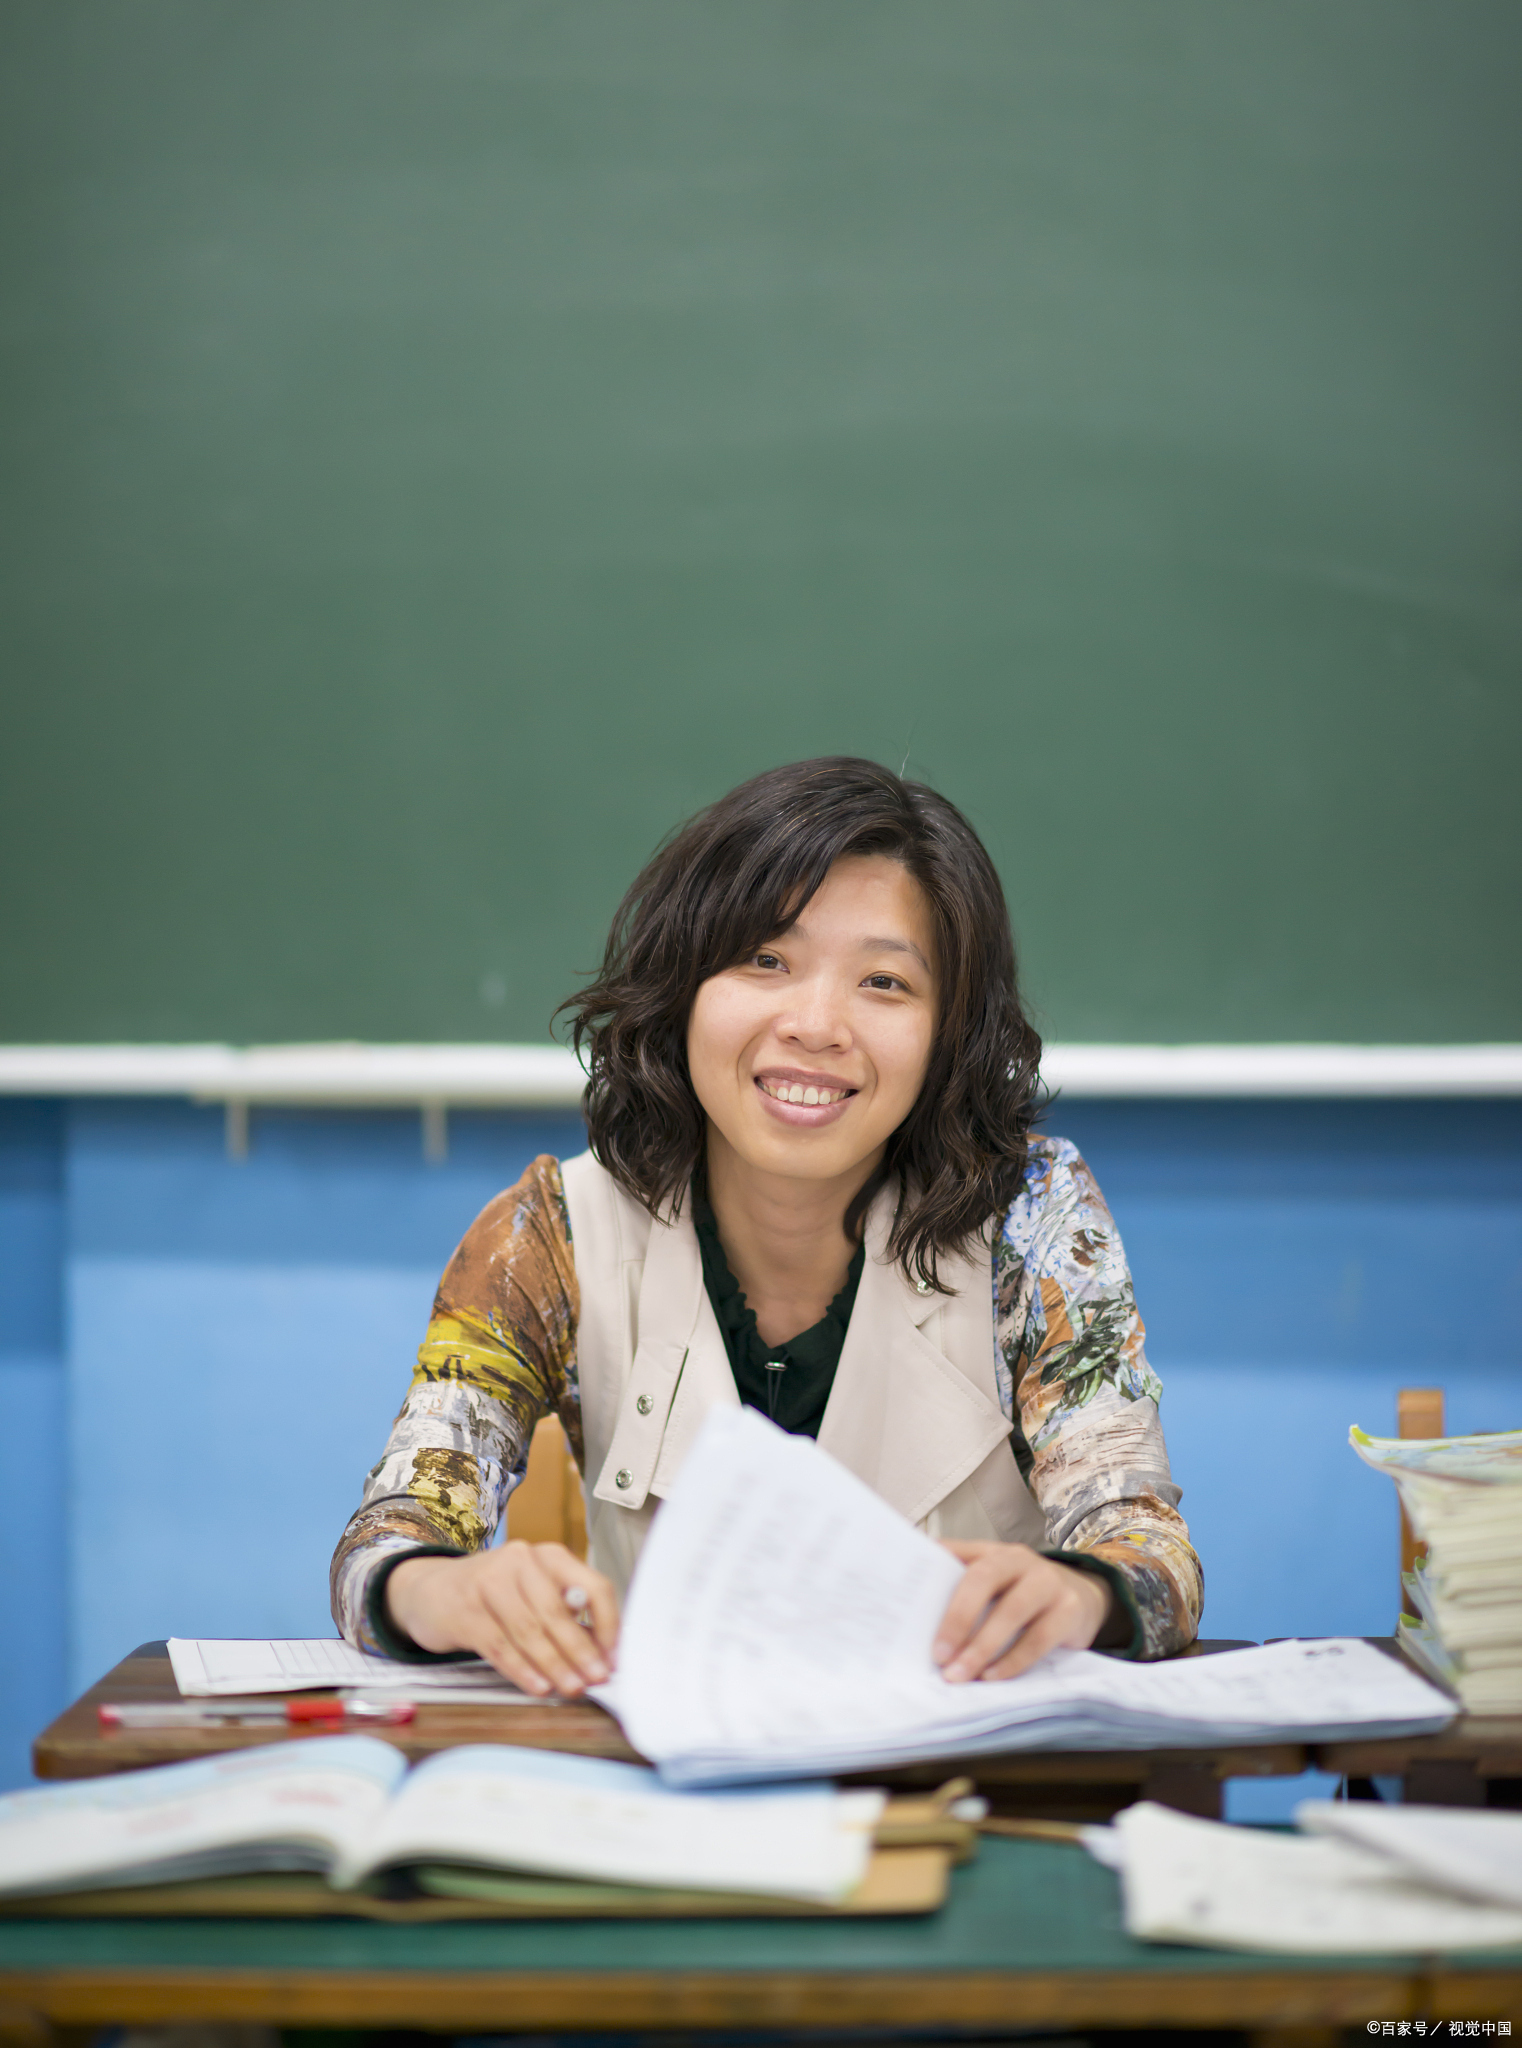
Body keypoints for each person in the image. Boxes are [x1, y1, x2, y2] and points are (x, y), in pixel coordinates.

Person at [330, 757, 1202, 1697]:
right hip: (671, 1793)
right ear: (682, 987)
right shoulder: (554, 1231)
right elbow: (388, 1539)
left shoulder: (1034, 1217)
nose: (817, 1024)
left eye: (884, 982)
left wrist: (1084, 1597)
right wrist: (441, 1594)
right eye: (766, 961)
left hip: (967, 1782)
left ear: (948, 1033)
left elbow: (1149, 1553)